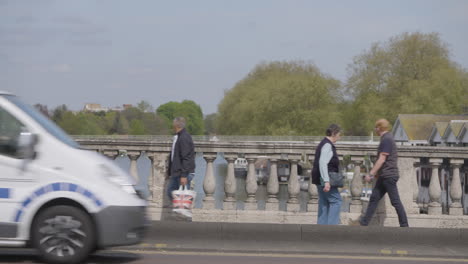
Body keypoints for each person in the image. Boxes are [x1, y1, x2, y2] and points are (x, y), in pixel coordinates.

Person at [360, 119, 408, 227]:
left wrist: (371, 174)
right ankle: (364, 223)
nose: (375, 129)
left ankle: (405, 225)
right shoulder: (387, 138)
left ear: (379, 128)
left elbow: (382, 159)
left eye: (375, 127)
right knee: (374, 199)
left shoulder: (386, 139)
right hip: (384, 176)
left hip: (389, 176)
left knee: (395, 201)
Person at [311, 124, 343, 225]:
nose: (339, 137)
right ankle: (332, 229)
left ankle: (321, 228)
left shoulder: (322, 143)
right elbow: (323, 162)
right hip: (325, 178)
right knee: (336, 201)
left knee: (324, 202)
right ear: (334, 133)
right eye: (339, 134)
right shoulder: (327, 145)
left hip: (318, 178)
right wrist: (326, 181)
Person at [166, 117, 195, 203]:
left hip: (183, 173)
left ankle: (184, 213)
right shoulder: (179, 137)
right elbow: (174, 156)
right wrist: (169, 172)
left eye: (173, 125)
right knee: (173, 193)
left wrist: (184, 175)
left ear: (176, 125)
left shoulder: (183, 137)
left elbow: (186, 158)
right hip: (178, 172)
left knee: (182, 198)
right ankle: (181, 212)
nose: (172, 127)